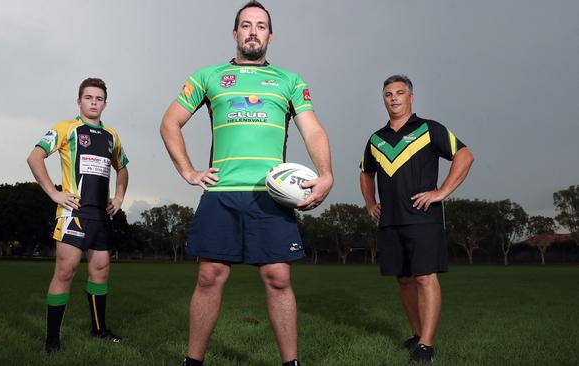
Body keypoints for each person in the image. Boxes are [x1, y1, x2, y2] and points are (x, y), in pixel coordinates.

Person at [160, 2, 333, 365]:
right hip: (221, 193)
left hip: (270, 197)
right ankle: (192, 362)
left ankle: (291, 363)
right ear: (235, 32)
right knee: (209, 276)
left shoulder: (289, 81)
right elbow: (170, 122)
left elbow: (313, 130)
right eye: (246, 25)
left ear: (270, 35)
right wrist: (189, 171)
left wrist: (326, 173)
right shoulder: (207, 76)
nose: (253, 31)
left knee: (278, 278)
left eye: (261, 26)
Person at [360, 75, 474, 363]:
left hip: (423, 218)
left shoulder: (429, 129)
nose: (394, 98)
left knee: (425, 277)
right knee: (404, 279)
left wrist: (442, 192)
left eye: (400, 92)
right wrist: (370, 203)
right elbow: (365, 172)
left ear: (411, 96)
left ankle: (426, 345)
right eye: (388, 94)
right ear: (383, 99)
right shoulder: (376, 138)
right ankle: (416, 333)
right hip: (390, 221)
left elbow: (464, 156)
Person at [27, 77, 129, 353]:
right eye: (89, 98)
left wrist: (119, 197)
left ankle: (99, 331)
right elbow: (34, 158)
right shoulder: (65, 128)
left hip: (101, 217)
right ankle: (51, 340)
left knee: (100, 272)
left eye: (99, 99)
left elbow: (122, 168)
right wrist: (53, 193)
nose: (94, 102)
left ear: (105, 103)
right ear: (79, 100)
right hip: (73, 213)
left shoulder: (112, 136)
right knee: (66, 271)